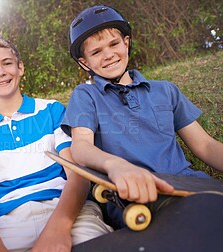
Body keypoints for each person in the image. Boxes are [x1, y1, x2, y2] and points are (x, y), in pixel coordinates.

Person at [61, 4, 223, 228]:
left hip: (189, 183)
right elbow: (80, 147)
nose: (108, 55)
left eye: (114, 44)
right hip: (134, 196)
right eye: (96, 52)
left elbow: (205, 145)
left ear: (126, 43)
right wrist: (115, 166)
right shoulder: (86, 95)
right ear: (84, 62)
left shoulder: (165, 90)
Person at [0, 36, 113, 252]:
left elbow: (77, 174)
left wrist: (59, 227)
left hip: (65, 207)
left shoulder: (51, 110)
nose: (1, 72)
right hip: (8, 221)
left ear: (20, 67)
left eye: (7, 63)